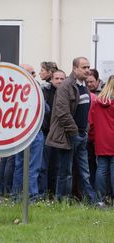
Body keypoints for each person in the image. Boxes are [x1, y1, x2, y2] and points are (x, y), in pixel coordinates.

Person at [46, 57, 102, 206]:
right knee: (66, 172)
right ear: (75, 68)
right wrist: (75, 133)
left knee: (85, 171)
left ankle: (90, 200)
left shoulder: (83, 85)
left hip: (82, 135)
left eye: (88, 67)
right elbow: (62, 113)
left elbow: (85, 111)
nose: (87, 70)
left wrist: (85, 130)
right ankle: (61, 201)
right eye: (84, 67)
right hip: (69, 136)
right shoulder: (66, 86)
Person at [11, 64, 44, 201]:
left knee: (19, 165)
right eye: (33, 73)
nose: (35, 75)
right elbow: (45, 109)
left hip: (19, 132)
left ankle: (16, 195)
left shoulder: (12, 89)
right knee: (32, 167)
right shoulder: (33, 89)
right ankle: (31, 196)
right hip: (33, 132)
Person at [89, 75, 114, 201]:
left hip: (101, 141)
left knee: (101, 168)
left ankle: (99, 199)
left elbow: (91, 122)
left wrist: (93, 138)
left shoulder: (97, 102)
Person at [42, 69, 66, 196]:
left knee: (57, 167)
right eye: (57, 78)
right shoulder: (45, 92)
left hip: (60, 136)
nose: (59, 81)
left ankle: (55, 194)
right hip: (46, 134)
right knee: (43, 167)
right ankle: (43, 194)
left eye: (62, 79)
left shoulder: (67, 92)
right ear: (51, 79)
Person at [86, 68, 101, 187]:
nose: (90, 84)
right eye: (87, 82)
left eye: (92, 81)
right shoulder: (84, 95)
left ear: (98, 81)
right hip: (87, 137)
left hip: (98, 138)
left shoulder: (101, 97)